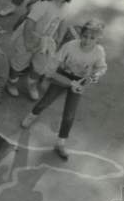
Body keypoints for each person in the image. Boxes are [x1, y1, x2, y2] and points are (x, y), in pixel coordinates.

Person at [21, 19, 107, 159]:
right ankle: (31, 116)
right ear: (81, 34)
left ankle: (61, 142)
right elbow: (51, 69)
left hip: (79, 81)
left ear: (98, 39)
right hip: (62, 76)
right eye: (85, 36)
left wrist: (90, 79)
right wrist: (65, 81)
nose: (87, 40)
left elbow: (101, 68)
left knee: (69, 115)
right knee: (45, 101)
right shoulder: (70, 46)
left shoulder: (99, 51)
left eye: (92, 38)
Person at [5, 0, 75, 100]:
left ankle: (32, 85)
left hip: (46, 41)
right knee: (20, 62)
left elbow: (63, 21)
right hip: (30, 36)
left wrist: (59, 37)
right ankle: (11, 82)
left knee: (40, 65)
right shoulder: (44, 4)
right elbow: (30, 23)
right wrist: (28, 41)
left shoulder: (65, 6)